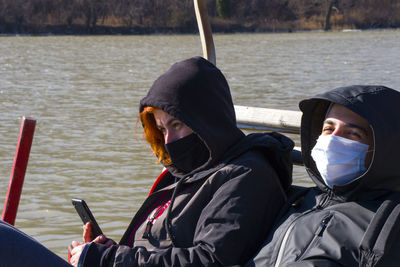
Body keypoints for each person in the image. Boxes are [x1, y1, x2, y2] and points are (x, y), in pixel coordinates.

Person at [69, 56, 294, 266]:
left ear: (207, 119)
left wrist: (110, 259)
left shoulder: (247, 175)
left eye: (176, 125)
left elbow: (210, 260)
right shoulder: (184, 172)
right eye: (161, 129)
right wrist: (105, 251)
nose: (169, 141)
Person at [246, 85, 400, 266]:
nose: (332, 140)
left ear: (385, 151)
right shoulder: (300, 200)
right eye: (328, 129)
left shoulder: (387, 224)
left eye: (352, 133)